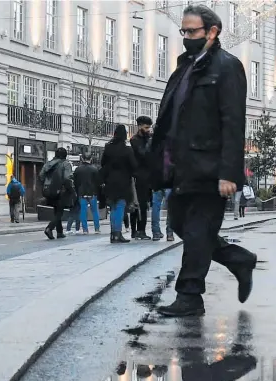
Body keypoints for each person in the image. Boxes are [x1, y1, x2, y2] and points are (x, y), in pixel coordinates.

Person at [150, 4, 257, 317]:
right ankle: (237, 258)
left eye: (191, 31)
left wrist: (229, 173)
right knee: (181, 224)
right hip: (183, 167)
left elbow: (233, 123)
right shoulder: (184, 68)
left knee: (198, 231)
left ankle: (190, 296)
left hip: (211, 168)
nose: (186, 37)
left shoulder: (227, 67)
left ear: (212, 31)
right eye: (183, 31)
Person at [101, 124, 137, 243]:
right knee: (120, 207)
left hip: (110, 181)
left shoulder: (108, 148)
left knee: (113, 207)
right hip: (123, 182)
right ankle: (118, 233)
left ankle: (113, 234)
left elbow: (103, 164)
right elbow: (134, 166)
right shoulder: (127, 150)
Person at [39, 147, 74, 240]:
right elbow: (67, 178)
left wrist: (47, 184)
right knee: (59, 212)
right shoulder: (65, 164)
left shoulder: (48, 164)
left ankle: (59, 232)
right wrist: (70, 190)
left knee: (57, 209)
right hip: (60, 190)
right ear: (65, 155)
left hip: (48, 190)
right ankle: (49, 228)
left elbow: (41, 175)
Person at [130, 116, 153, 240]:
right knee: (138, 204)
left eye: (149, 127)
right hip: (139, 176)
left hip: (147, 176)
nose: (148, 130)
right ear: (139, 126)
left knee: (145, 204)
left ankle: (140, 230)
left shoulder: (147, 138)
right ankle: (137, 230)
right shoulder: (135, 140)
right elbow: (143, 154)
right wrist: (150, 142)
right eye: (146, 127)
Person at [74, 153, 101, 234]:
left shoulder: (78, 169)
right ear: (91, 158)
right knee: (95, 211)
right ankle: (97, 229)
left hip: (82, 192)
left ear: (82, 158)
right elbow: (98, 182)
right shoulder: (94, 169)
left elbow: (76, 182)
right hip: (92, 193)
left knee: (83, 211)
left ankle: (85, 229)